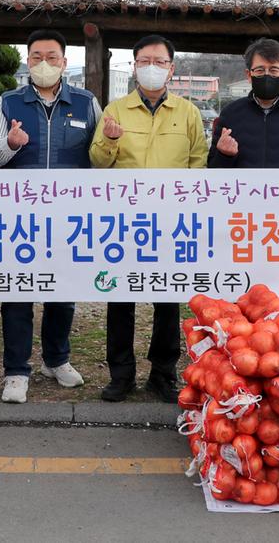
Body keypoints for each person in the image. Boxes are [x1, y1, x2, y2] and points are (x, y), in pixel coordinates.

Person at [0, 29, 101, 403]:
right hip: (20, 218)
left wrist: (112, 141)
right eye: (36, 57)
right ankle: (16, 371)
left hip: (69, 218)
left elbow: (100, 157)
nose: (44, 63)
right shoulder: (9, 102)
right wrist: (10, 143)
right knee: (17, 293)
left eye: (52, 57)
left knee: (63, 291)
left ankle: (57, 359)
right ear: (27, 60)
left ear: (64, 62)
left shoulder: (86, 102)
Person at [89, 34, 208, 403]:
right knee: (120, 299)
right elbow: (97, 162)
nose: (151, 68)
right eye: (144, 61)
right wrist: (110, 140)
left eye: (159, 62)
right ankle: (121, 374)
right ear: (134, 66)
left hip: (170, 222)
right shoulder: (116, 109)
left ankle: (163, 373)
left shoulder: (188, 112)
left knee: (167, 300)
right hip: (124, 222)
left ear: (171, 69)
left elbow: (198, 165)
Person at [207, 38, 279, 168]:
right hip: (244, 182)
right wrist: (224, 155)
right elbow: (212, 168)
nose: (267, 75)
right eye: (260, 70)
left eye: (274, 70)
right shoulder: (230, 114)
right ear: (249, 75)